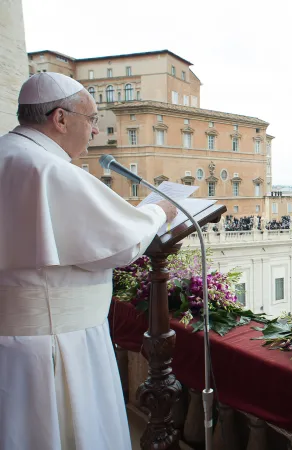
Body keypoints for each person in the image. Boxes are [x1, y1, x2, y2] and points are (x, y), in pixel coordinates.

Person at [0, 73, 177, 449]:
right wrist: (160, 211)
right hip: (55, 345)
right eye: (92, 119)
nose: (95, 131)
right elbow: (122, 242)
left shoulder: (8, 154)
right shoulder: (47, 168)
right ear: (60, 119)